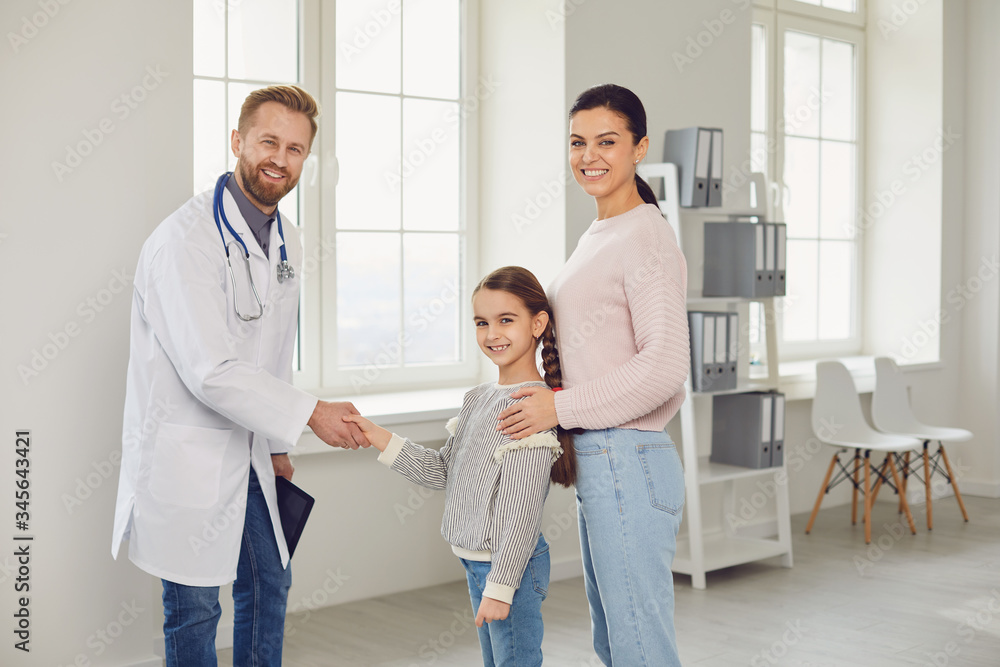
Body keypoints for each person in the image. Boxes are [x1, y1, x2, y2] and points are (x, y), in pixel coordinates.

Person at [111, 85, 368, 667]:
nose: (280, 158)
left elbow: (274, 349)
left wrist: (278, 446)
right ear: (238, 141)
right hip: (188, 456)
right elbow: (212, 371)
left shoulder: (287, 239)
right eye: (268, 141)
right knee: (196, 610)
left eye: (296, 148)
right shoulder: (184, 241)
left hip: (251, 449)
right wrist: (310, 415)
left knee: (269, 584)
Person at [495, 84, 690, 666]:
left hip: (627, 460)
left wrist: (559, 408)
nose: (589, 155)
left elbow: (664, 367)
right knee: (618, 643)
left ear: (640, 148)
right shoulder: (603, 233)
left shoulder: (644, 235)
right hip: (605, 463)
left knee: (637, 647)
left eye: (607, 141)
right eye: (578, 142)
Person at [343, 266, 576, 667]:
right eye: (481, 322)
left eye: (506, 320)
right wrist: (375, 434)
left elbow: (518, 513)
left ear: (538, 324)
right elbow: (441, 471)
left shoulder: (532, 408)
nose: (492, 334)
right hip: (477, 562)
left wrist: (501, 587)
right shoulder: (479, 399)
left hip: (510, 565)